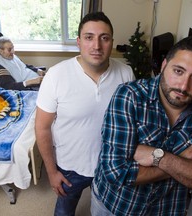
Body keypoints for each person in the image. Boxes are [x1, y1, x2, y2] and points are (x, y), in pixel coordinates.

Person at [91, 36, 192, 216]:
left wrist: (161, 157)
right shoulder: (129, 96)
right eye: (178, 71)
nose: (183, 86)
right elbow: (117, 174)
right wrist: (183, 160)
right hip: (114, 206)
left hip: (166, 210)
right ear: (164, 65)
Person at [35, 12, 135, 216]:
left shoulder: (126, 73)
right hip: (70, 166)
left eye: (104, 38)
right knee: (64, 212)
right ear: (79, 42)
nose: (96, 46)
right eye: (89, 37)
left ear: (112, 42)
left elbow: (131, 121)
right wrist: (52, 172)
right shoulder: (56, 75)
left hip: (112, 164)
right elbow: (42, 127)